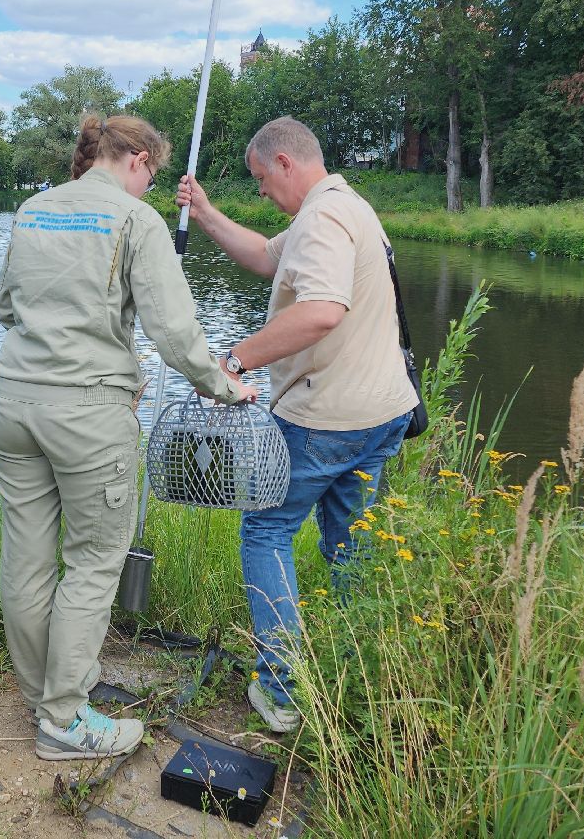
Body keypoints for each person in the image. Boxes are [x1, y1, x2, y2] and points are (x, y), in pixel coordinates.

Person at [0, 113, 257, 761]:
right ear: (135, 158)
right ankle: (64, 719)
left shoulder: (33, 210)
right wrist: (225, 385)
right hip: (88, 414)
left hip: (13, 403)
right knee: (91, 561)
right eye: (153, 175)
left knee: (25, 560)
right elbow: (173, 330)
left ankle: (41, 696)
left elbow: (5, 307)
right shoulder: (136, 221)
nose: (150, 188)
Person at [176, 116, 417, 734]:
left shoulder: (322, 219)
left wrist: (232, 360)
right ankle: (365, 675)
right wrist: (204, 212)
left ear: (285, 163)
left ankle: (282, 692)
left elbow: (321, 311)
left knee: (265, 531)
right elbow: (263, 255)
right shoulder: (341, 206)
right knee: (350, 543)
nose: (260, 192)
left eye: (260, 179)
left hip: (325, 419)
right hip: (381, 414)